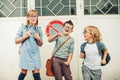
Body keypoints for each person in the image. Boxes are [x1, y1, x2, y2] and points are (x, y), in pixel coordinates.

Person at [15, 10, 43, 80]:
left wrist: (38, 39)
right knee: (23, 71)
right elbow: (16, 41)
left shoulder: (39, 29)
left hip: (35, 54)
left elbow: (40, 44)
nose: (33, 18)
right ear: (27, 17)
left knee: (36, 72)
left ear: (37, 18)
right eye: (31, 16)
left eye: (35, 16)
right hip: (25, 53)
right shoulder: (23, 28)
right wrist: (24, 36)